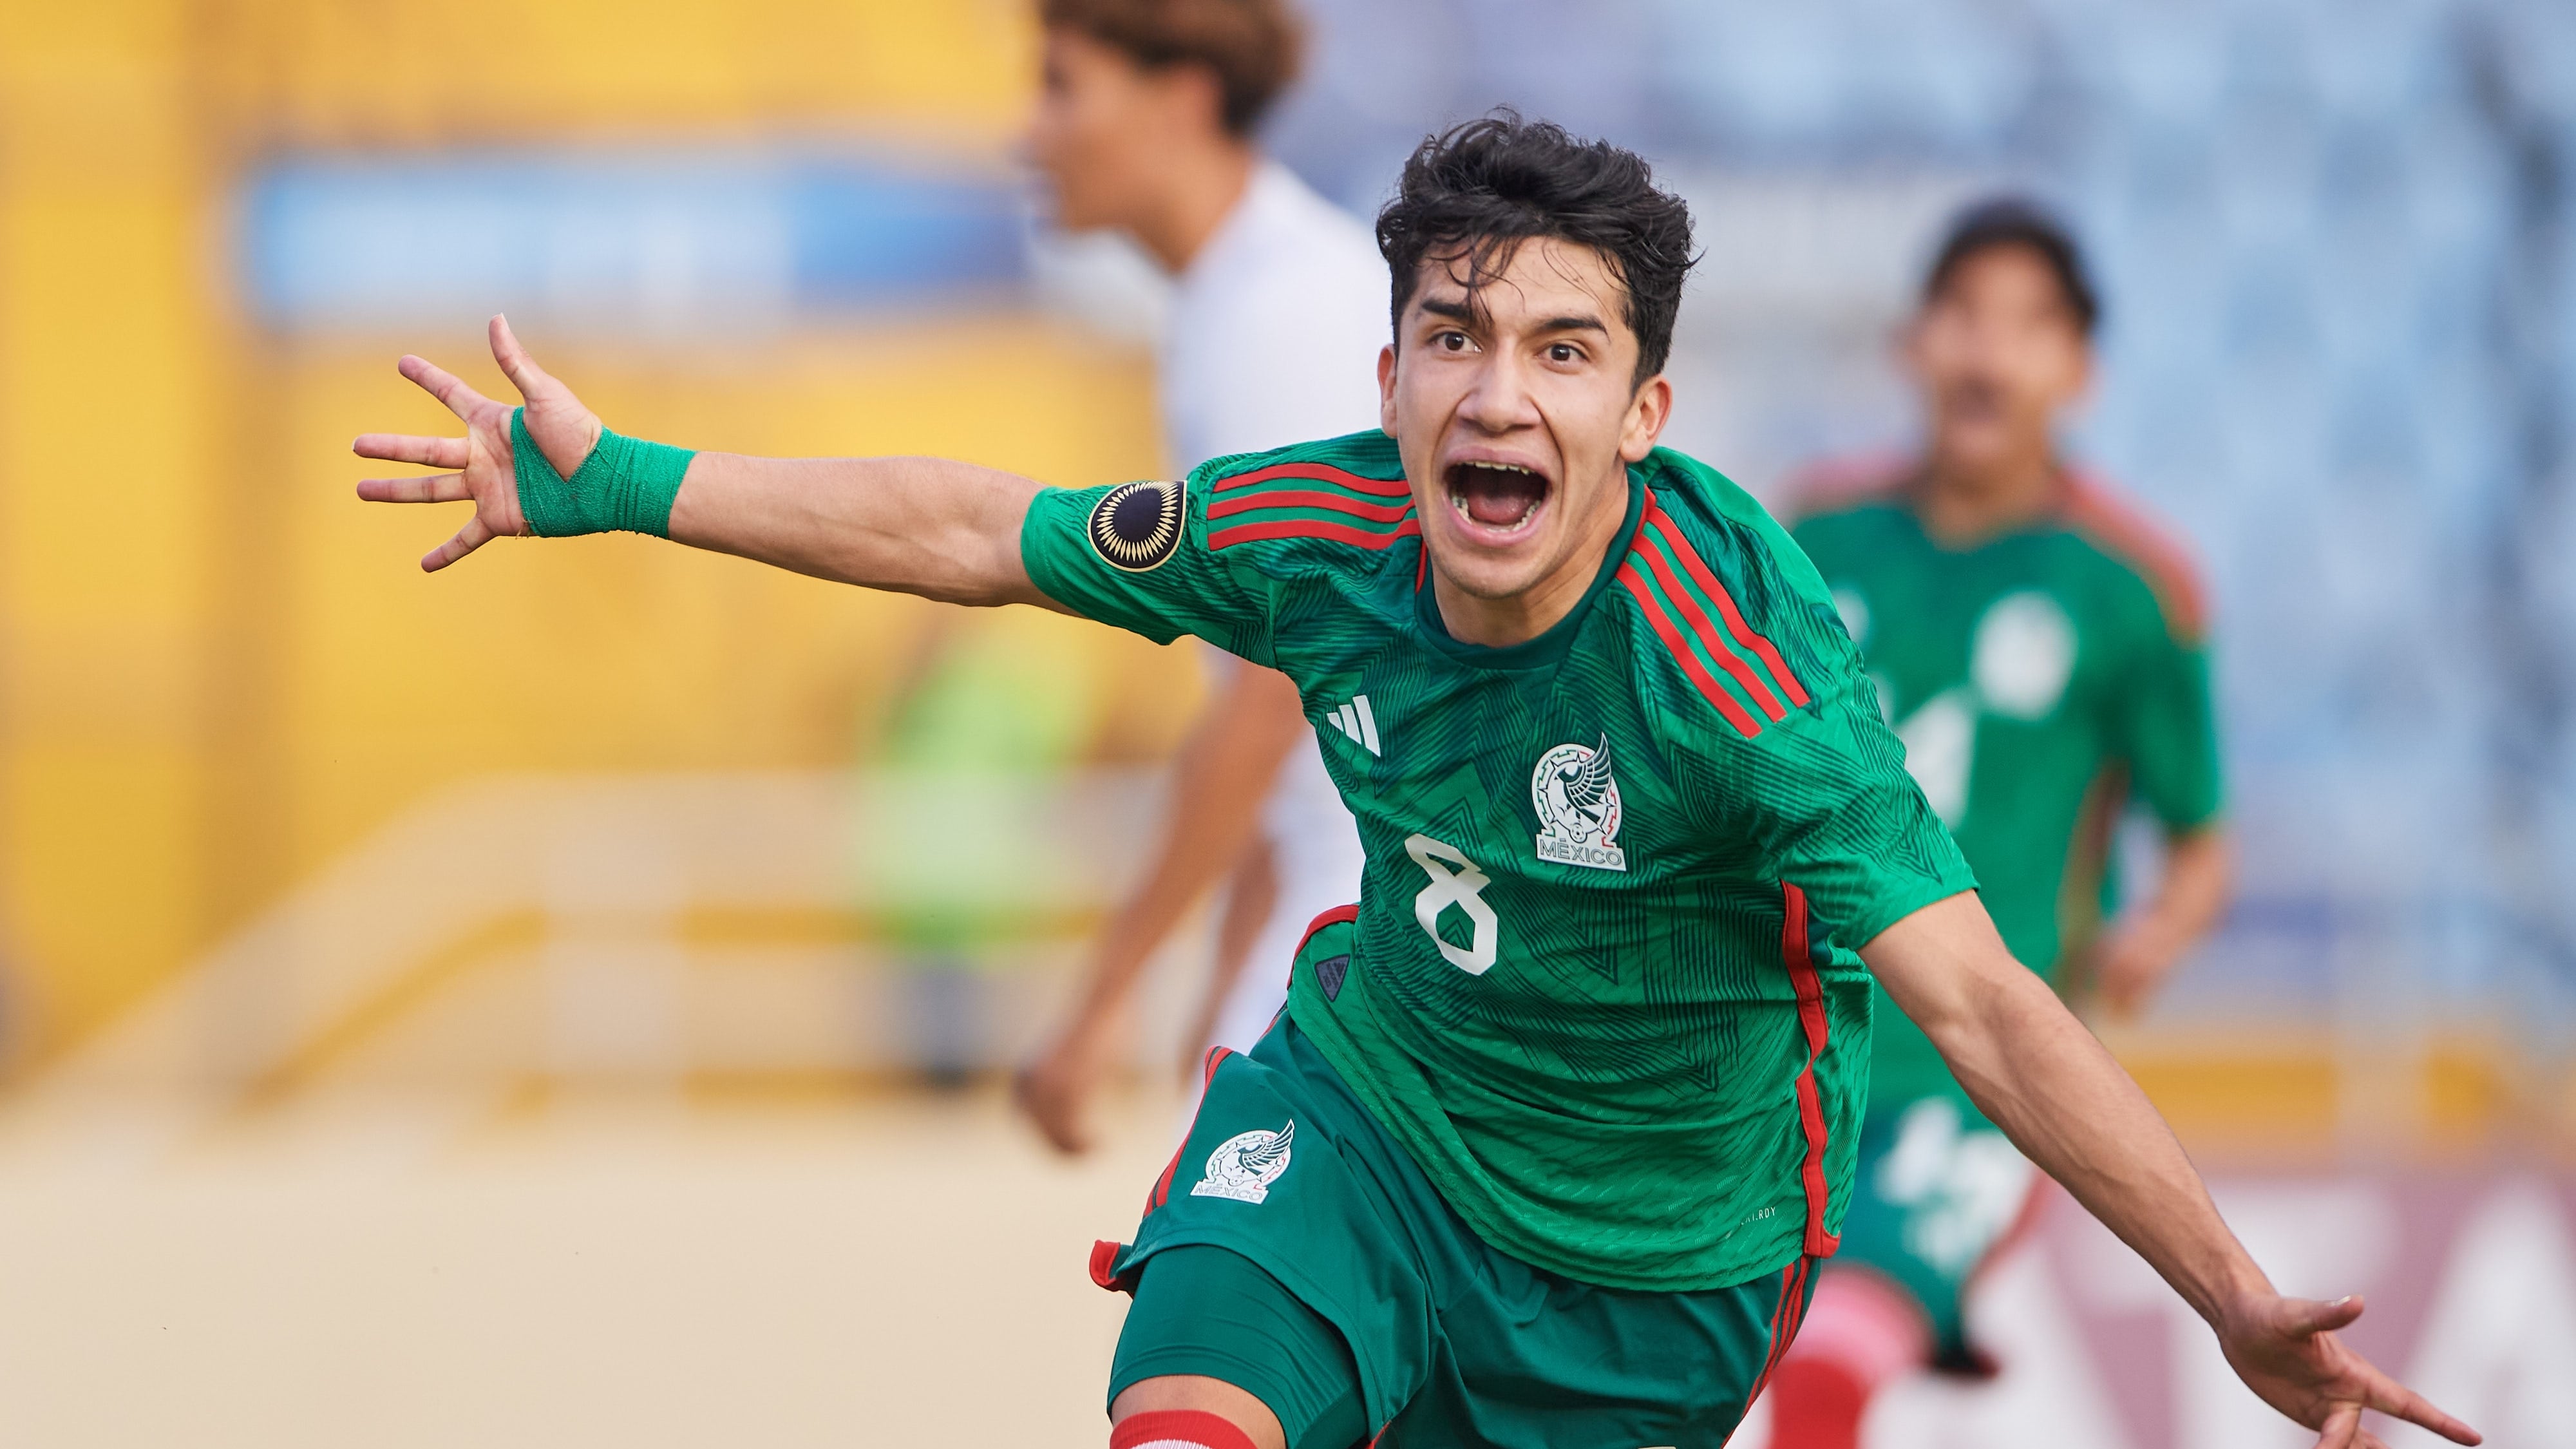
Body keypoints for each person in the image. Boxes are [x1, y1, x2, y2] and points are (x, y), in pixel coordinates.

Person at [353, 115, 2473, 1449]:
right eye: (1458, 335)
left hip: (1659, 1265)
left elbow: (1996, 1004)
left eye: (1564, 353)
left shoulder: (1738, 670)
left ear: (1645, 413)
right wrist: (622, 479)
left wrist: (2235, 1305)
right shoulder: (1314, 531)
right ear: (1389, 380)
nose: (1498, 389)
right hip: (1370, 1124)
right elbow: (971, 531)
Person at [1760, 200, 2237, 1448]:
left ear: (2075, 371)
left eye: (2025, 328)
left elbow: (2197, 832)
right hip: (1777, 1038)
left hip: (1978, 1078)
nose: (1985, 352)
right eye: (1961, 316)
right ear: (1910, 344)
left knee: (1825, 1371)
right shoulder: (1806, 540)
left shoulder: (2131, 588)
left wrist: (2158, 933)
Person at [1010, 0, 1383, 1151]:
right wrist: (1229, 973)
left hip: (1375, 931)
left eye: (1064, 86)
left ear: (1181, 97)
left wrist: (1101, 1001)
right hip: (1349, 909)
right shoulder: (1247, 300)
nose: (1029, 133)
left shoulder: (1276, 315)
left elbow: (1278, 691)